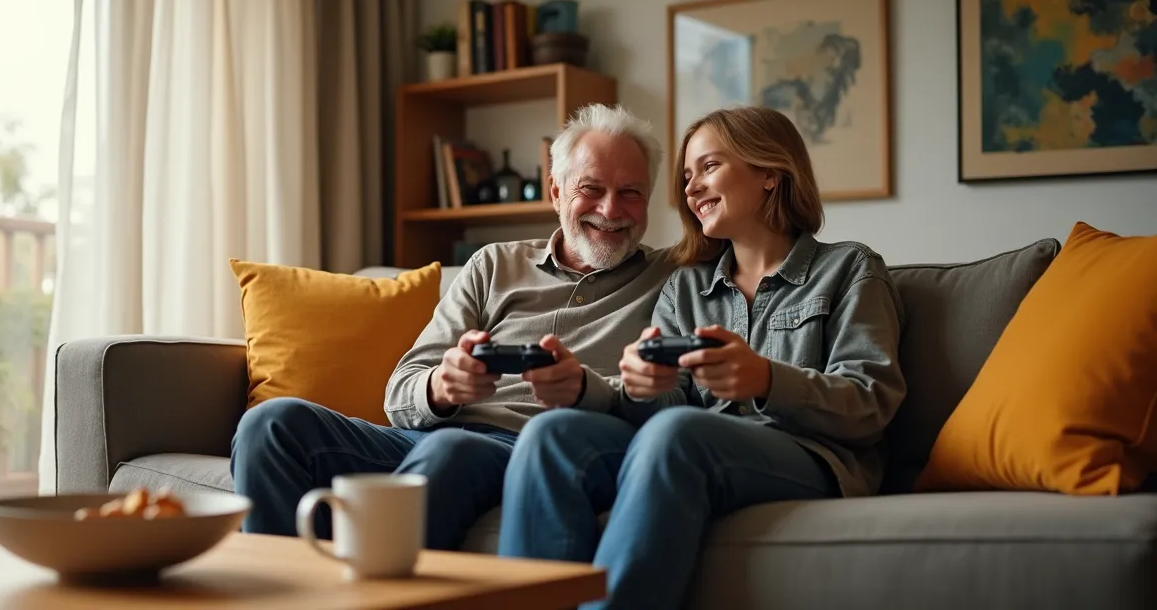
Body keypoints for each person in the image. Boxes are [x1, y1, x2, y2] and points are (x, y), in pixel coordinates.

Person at [496, 106, 908, 609]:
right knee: (550, 434)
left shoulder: (849, 268)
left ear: (770, 174)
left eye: (709, 167)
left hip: (811, 456)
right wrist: (644, 388)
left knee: (680, 435)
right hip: (695, 447)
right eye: (686, 176)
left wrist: (766, 380)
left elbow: (872, 403)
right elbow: (666, 409)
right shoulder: (686, 287)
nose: (690, 189)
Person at [230, 103, 677, 550]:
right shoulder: (493, 264)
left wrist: (586, 388)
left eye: (631, 193)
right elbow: (399, 393)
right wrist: (442, 387)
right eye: (591, 188)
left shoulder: (671, 278)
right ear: (556, 192)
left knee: (452, 452)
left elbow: (674, 397)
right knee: (270, 424)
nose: (610, 208)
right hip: (426, 437)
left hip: (528, 451)